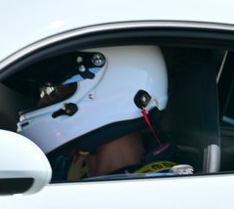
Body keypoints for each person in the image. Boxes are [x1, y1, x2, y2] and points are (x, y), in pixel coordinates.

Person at [15, 45, 192, 180]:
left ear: (113, 91)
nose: (43, 102)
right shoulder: (67, 168)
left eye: (59, 91)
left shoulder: (153, 191)